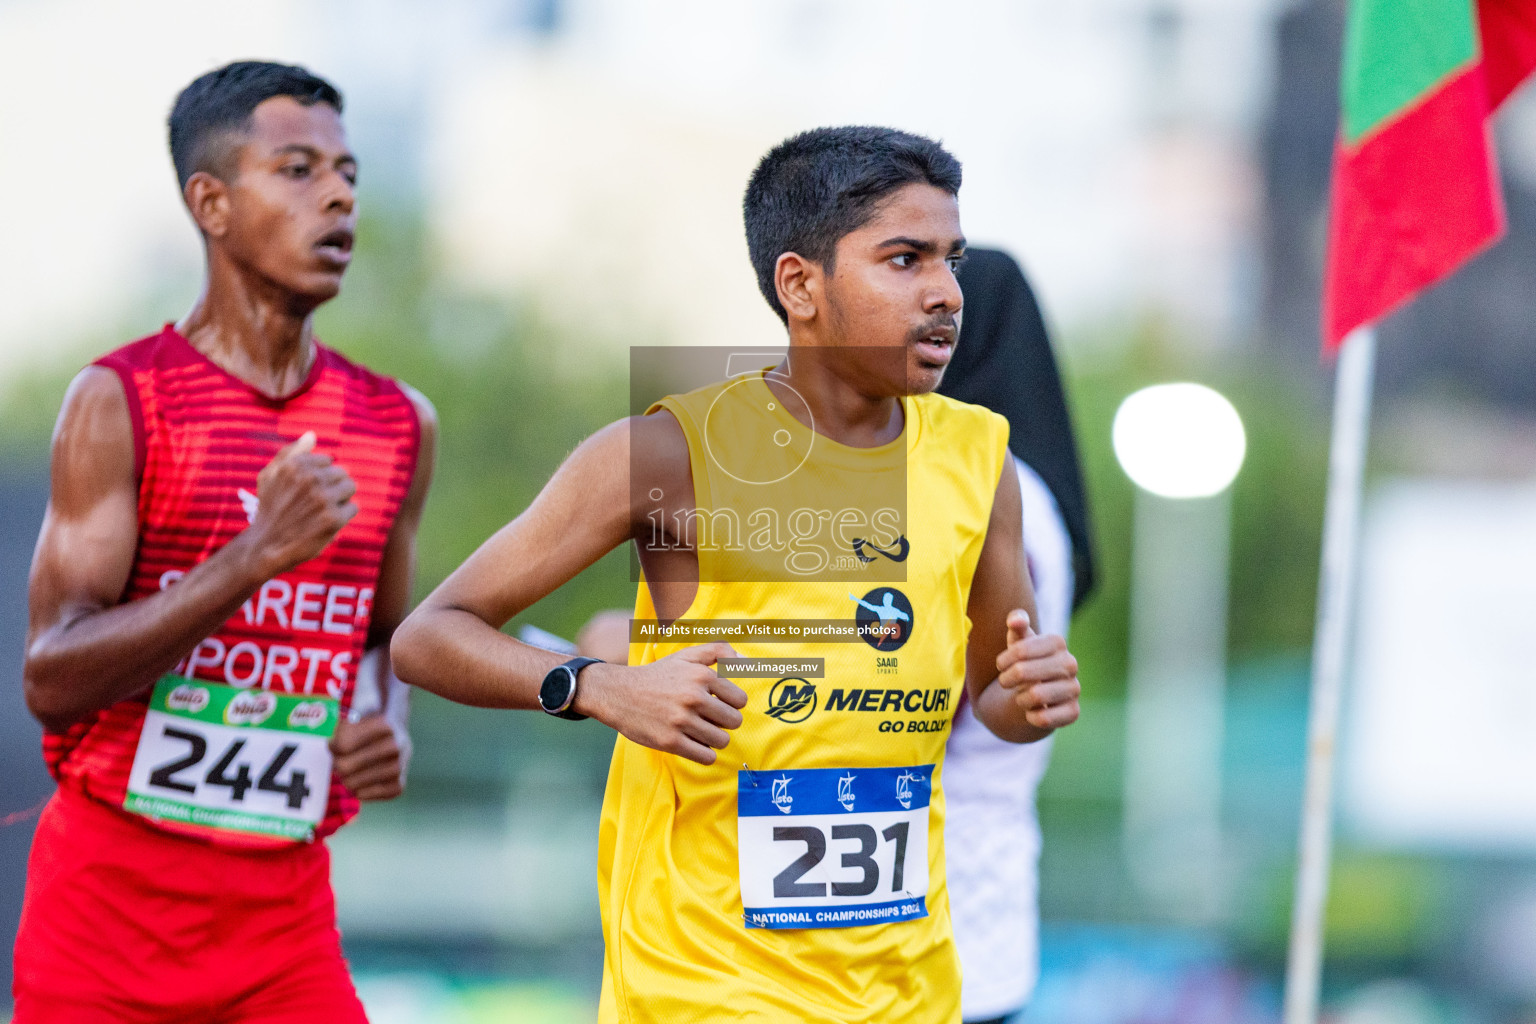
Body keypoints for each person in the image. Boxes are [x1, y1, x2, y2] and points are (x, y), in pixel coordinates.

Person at [392, 126, 1080, 1024]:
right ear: (801, 284)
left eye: (949, 260)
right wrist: (599, 688)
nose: (947, 293)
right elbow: (429, 636)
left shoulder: (978, 459)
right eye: (904, 259)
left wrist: (1026, 701)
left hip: (909, 991)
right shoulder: (667, 451)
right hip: (706, 988)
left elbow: (990, 700)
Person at [15, 61, 436, 1023]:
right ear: (210, 202)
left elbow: (389, 638)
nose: (337, 194)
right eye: (297, 169)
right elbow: (52, 679)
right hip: (107, 916)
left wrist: (389, 724)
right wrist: (251, 560)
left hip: (283, 921)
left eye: (350, 175)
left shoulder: (396, 424)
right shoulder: (122, 402)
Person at [937, 248, 1097, 1024]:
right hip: (986, 919)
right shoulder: (1035, 498)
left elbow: (930, 702)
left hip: (923, 922)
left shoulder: (983, 492)